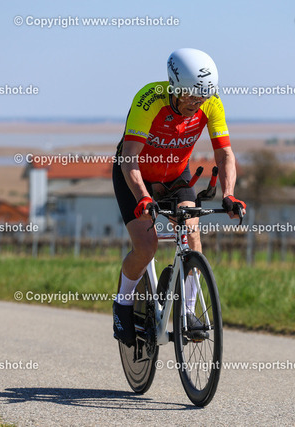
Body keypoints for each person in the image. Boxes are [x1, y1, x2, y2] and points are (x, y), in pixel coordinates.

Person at [111, 48, 246, 346]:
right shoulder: (149, 99)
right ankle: (122, 303)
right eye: (191, 97)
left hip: (175, 176)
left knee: (192, 233)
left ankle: (187, 312)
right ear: (174, 87)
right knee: (147, 246)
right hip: (135, 175)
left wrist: (229, 194)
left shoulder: (211, 104)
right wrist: (143, 196)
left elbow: (224, 154)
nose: (197, 104)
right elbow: (129, 156)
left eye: (203, 98)